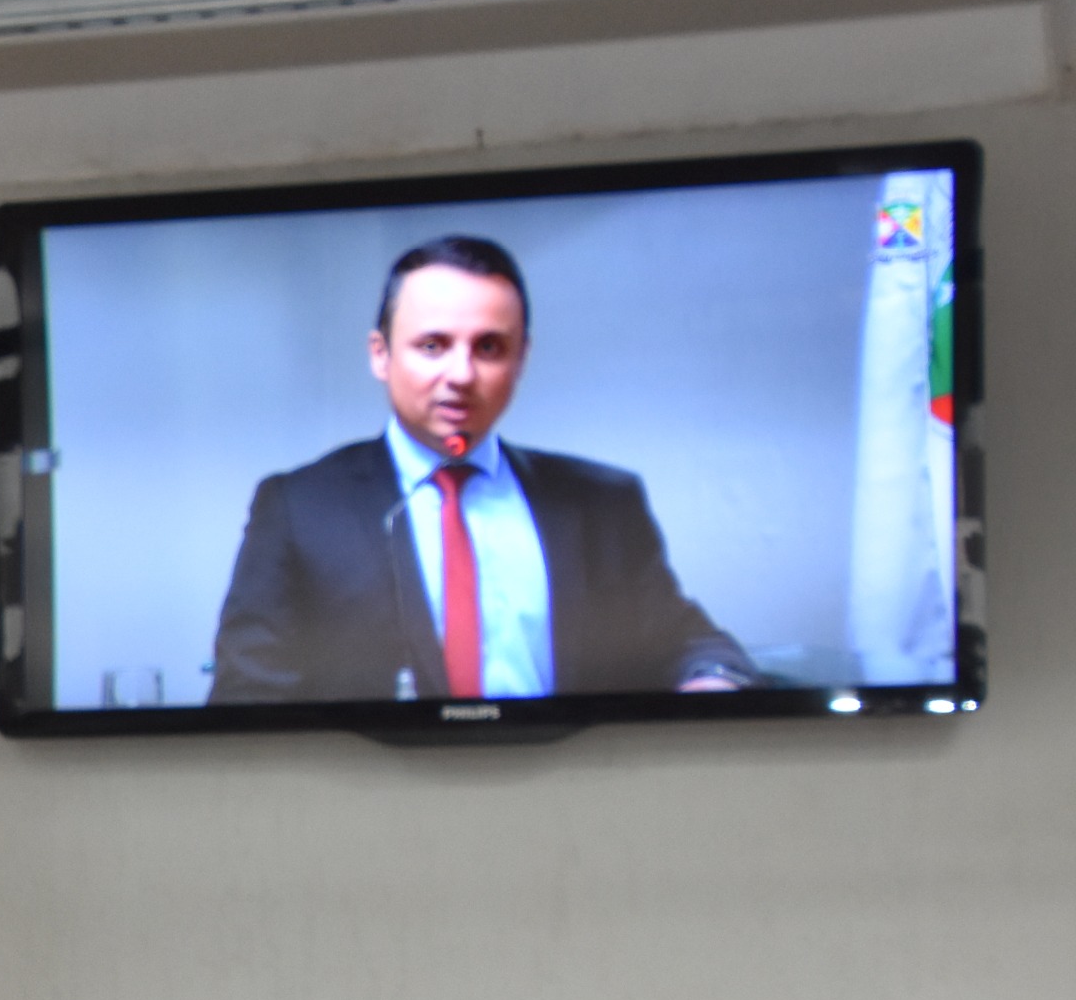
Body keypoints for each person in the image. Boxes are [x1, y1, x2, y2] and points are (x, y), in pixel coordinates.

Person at [208, 233, 753, 705]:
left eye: (489, 347)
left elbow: (686, 642)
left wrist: (712, 680)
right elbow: (248, 695)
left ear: (521, 359)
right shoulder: (298, 507)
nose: (462, 374)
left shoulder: (602, 501)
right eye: (433, 345)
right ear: (381, 355)